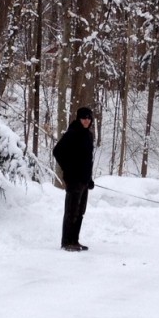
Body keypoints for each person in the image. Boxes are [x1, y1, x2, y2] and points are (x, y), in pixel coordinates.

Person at [53, 107, 95, 252]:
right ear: (79, 119)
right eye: (84, 118)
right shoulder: (73, 133)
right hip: (73, 180)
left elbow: (87, 160)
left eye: (89, 118)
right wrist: (69, 171)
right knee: (71, 211)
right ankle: (66, 242)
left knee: (80, 212)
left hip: (84, 181)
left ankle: (74, 240)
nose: (86, 121)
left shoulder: (88, 135)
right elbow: (57, 151)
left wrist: (89, 178)